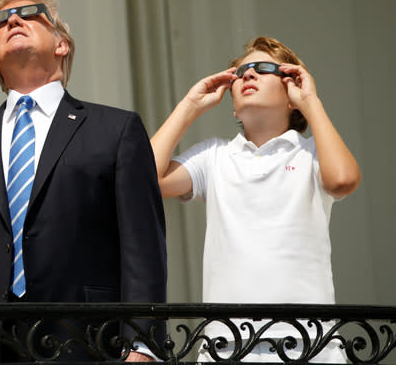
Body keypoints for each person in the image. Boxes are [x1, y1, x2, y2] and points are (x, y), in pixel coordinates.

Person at [0, 0, 167, 362]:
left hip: (87, 344)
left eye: (31, 12)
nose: (13, 18)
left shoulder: (115, 131)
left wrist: (142, 345)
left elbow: (142, 248)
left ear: (61, 44)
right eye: (0, 20)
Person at [150, 36, 361, 362]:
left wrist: (311, 103)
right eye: (241, 72)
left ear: (292, 93)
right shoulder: (215, 155)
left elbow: (343, 180)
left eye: (264, 69)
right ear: (232, 103)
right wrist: (190, 107)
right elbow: (144, 179)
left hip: (309, 343)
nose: (248, 75)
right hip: (227, 345)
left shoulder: (311, 154)